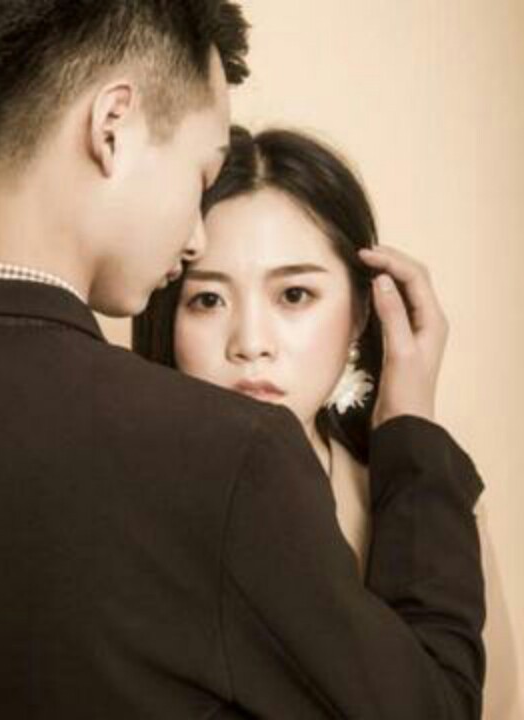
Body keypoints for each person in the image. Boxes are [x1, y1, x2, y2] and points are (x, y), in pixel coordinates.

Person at [0, 2, 484, 718]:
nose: (194, 238)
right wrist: (412, 436)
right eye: (201, 173)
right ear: (112, 127)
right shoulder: (231, 459)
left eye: (294, 294)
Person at [134, 126, 521, 717]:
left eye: (294, 295)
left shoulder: (434, 511)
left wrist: (409, 428)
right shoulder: (122, 513)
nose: (251, 343)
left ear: (363, 312)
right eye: (208, 299)